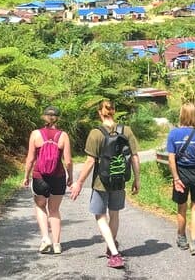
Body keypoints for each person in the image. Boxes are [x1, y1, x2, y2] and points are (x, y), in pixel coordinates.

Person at [69, 99, 140, 269]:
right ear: (114, 111)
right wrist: (137, 179)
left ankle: (114, 254)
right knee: (114, 214)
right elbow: (135, 157)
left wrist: (78, 183)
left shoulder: (96, 133)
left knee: (100, 216)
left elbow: (90, 162)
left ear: (99, 112)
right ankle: (111, 247)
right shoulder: (126, 130)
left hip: (101, 182)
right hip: (119, 180)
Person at [23, 105, 73, 254]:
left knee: (40, 206)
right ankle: (57, 244)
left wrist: (26, 176)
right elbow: (68, 161)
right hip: (58, 177)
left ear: (44, 117)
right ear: (58, 118)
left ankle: (46, 239)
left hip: (40, 177)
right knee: (55, 210)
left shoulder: (35, 134)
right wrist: (70, 177)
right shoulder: (63, 135)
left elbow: (31, 158)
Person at [166, 102, 195, 256]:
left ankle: (181, 237)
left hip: (180, 173)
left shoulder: (173, 134)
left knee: (181, 206)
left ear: (182, 115)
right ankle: (194, 242)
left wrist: (175, 178)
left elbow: (171, 158)